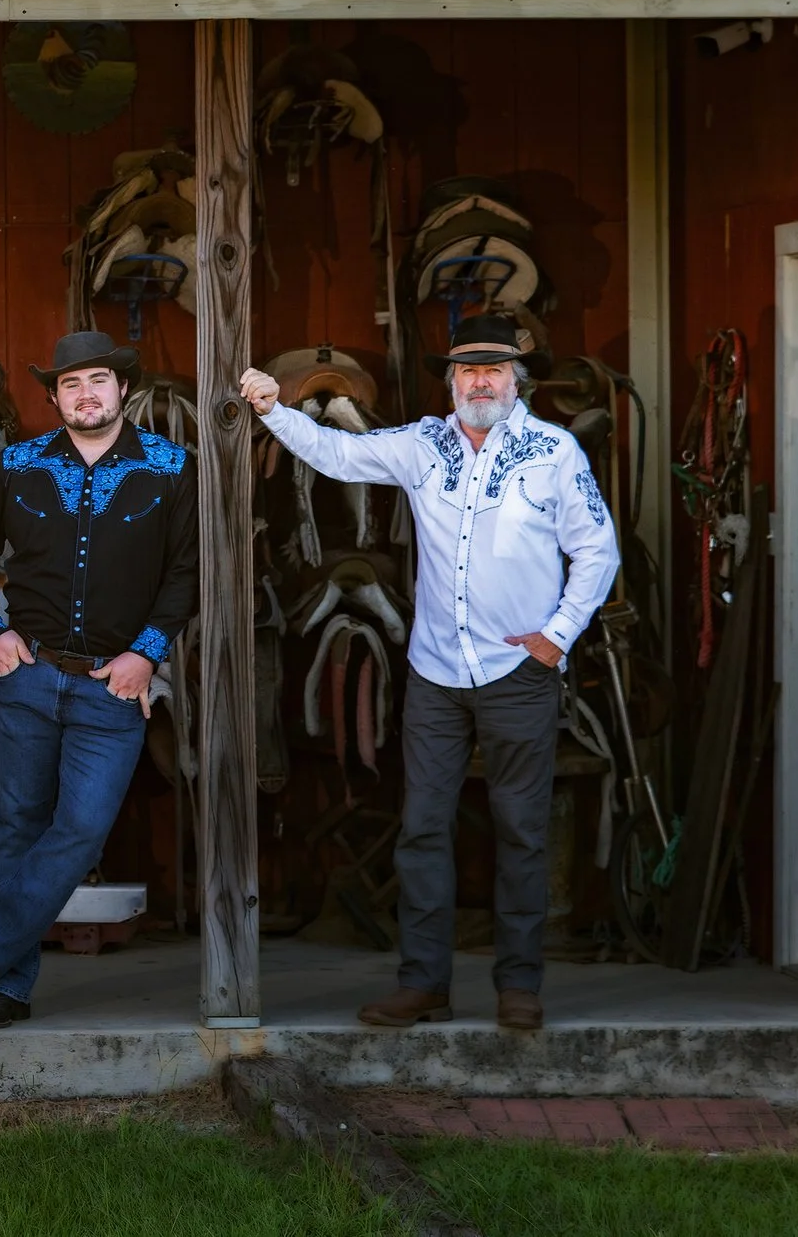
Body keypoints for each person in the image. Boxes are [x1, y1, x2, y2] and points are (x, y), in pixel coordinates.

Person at [241, 312, 618, 1030]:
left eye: (494, 370)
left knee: (522, 831)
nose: (480, 383)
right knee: (422, 830)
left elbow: (596, 550)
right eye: (468, 371)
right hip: (436, 674)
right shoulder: (423, 444)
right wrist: (274, 411)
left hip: (518, 670)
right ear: (451, 382)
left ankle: (519, 986)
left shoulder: (554, 452)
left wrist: (558, 635)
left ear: (516, 381)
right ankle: (424, 984)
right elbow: (338, 454)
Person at [0, 332, 197, 1028]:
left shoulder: (172, 468)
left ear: (123, 389)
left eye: (98, 381)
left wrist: (147, 653)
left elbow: (187, 572)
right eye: (71, 384)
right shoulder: (18, 465)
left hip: (114, 686)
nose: (86, 395)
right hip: (28, 675)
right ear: (54, 397)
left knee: (80, 831)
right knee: (13, 831)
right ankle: (7, 989)